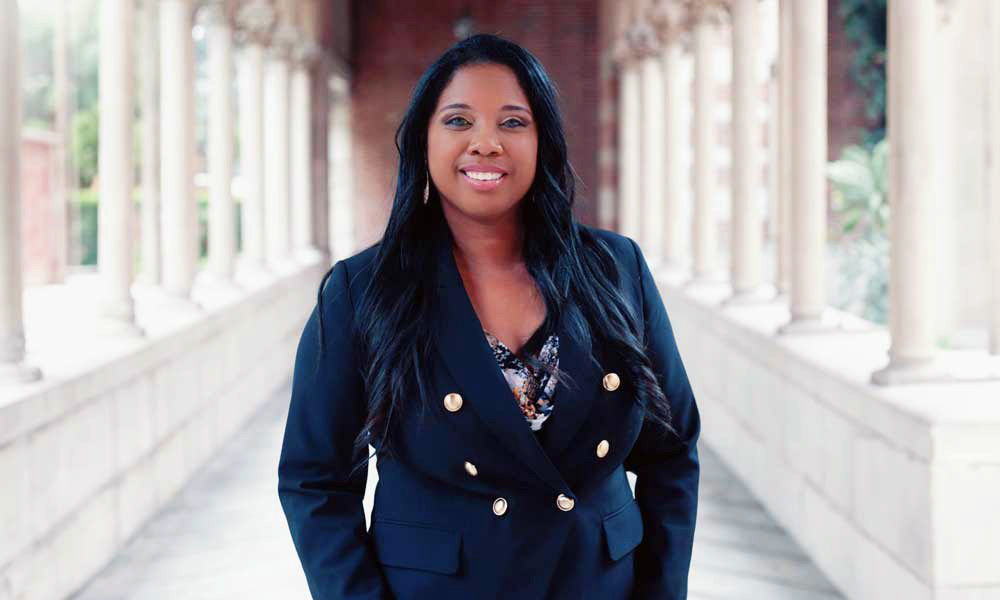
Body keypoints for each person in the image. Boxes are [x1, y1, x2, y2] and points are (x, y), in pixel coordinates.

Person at [277, 33, 700, 600]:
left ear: (543, 139)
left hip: (597, 585)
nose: (485, 143)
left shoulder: (615, 268)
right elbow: (315, 480)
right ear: (423, 141)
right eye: (457, 121)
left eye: (512, 123)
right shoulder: (363, 290)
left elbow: (672, 451)